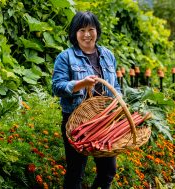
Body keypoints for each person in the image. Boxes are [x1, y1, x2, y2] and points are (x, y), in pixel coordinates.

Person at [52, 11, 121, 189]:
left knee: (108, 171)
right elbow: (57, 87)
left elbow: (117, 86)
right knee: (76, 172)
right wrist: (80, 84)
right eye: (81, 30)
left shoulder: (108, 55)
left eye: (91, 29)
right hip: (77, 122)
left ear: (97, 31)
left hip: (104, 121)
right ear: (75, 33)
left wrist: (119, 100)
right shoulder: (65, 57)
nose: (87, 34)